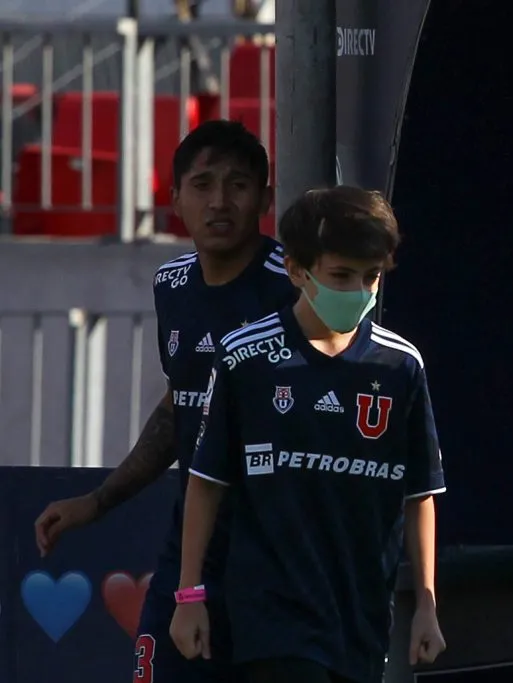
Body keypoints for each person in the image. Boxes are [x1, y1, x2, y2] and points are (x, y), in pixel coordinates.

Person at [34, 119, 296, 683]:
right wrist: (98, 501)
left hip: (283, 570)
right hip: (191, 563)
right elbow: (183, 408)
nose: (220, 201)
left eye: (238, 185)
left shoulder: (294, 290)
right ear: (175, 198)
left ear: (266, 199)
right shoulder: (171, 285)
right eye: (202, 185)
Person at [168, 186, 447, 683]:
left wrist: (425, 603)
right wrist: (189, 596)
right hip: (272, 616)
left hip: (362, 615)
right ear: (298, 271)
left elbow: (419, 493)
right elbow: (206, 482)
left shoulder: (400, 366)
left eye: (371, 277)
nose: (358, 291)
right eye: (341, 276)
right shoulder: (243, 358)